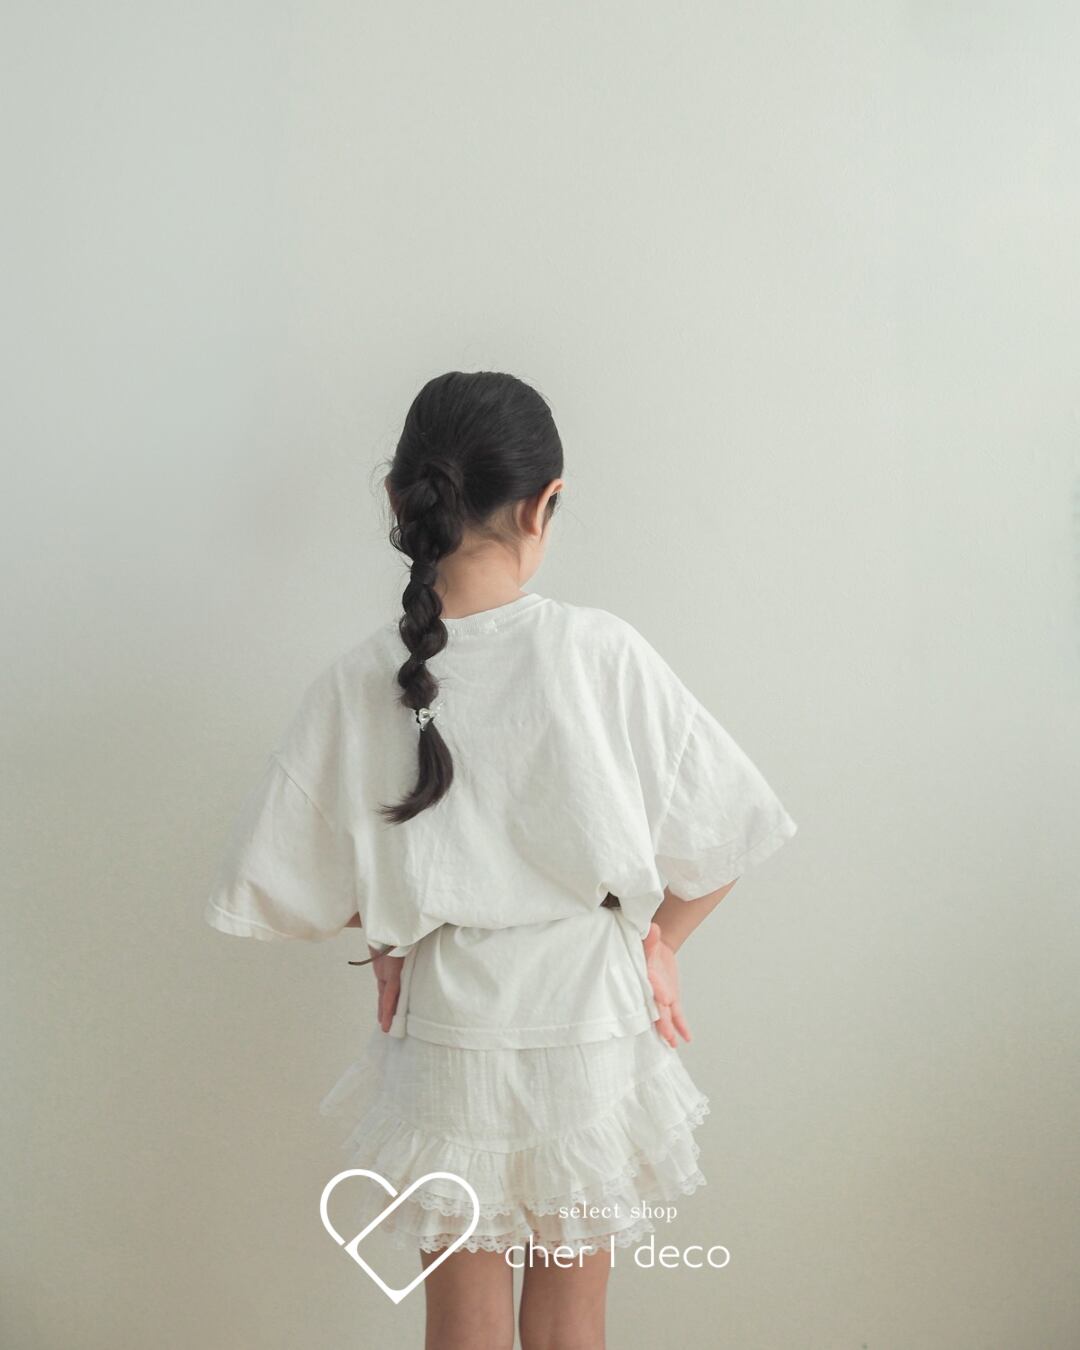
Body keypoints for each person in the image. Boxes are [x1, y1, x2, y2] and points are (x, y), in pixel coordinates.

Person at [204, 370, 798, 1350]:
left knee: (462, 1323)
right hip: (591, 1014)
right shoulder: (600, 652)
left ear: (400, 498)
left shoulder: (360, 680)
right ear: (542, 505)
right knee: (573, 1322)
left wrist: (390, 928)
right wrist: (657, 943)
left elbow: (275, 877)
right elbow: (729, 829)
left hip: (449, 1021)